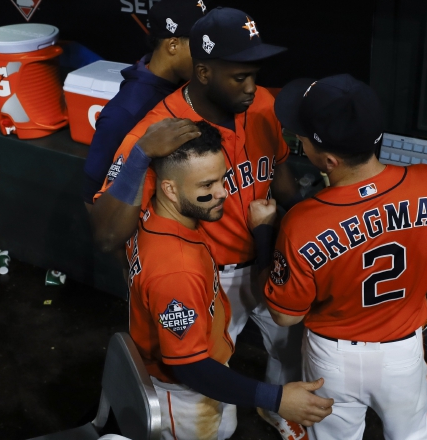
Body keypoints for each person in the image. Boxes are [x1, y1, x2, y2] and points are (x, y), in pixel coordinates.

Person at [91, 7, 307, 439]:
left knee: (289, 348)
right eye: (239, 77)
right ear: (203, 72)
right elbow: (107, 234)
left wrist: (295, 231)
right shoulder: (159, 131)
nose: (252, 87)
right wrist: (140, 157)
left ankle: (279, 411)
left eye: (254, 74)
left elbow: (282, 177)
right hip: (206, 281)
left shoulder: (263, 105)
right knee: (206, 392)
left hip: (265, 257)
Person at [261, 74, 427, 440]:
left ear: (328, 160)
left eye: (302, 136)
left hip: (332, 359)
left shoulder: (301, 223)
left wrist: (264, 232)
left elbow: (284, 316)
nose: (297, 137)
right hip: (402, 354)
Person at [128, 120, 333, 440]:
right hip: (184, 394)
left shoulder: (154, 215)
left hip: (202, 370)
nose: (223, 192)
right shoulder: (176, 272)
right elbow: (190, 367)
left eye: (224, 178)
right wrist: (277, 399)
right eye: (207, 186)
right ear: (169, 188)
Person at [82, 0, 207, 209]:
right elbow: (92, 197)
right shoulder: (125, 112)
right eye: (199, 45)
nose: (207, 54)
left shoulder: (187, 84)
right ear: (173, 45)